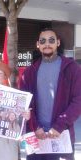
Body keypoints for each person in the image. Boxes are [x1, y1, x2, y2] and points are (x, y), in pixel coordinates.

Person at [20, 28, 81, 160]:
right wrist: (35, 126)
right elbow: (25, 104)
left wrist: (59, 126)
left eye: (51, 40)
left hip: (61, 134)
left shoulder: (72, 68)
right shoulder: (29, 72)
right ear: (38, 45)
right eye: (43, 41)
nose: (47, 44)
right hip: (36, 135)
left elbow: (78, 100)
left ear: (58, 43)